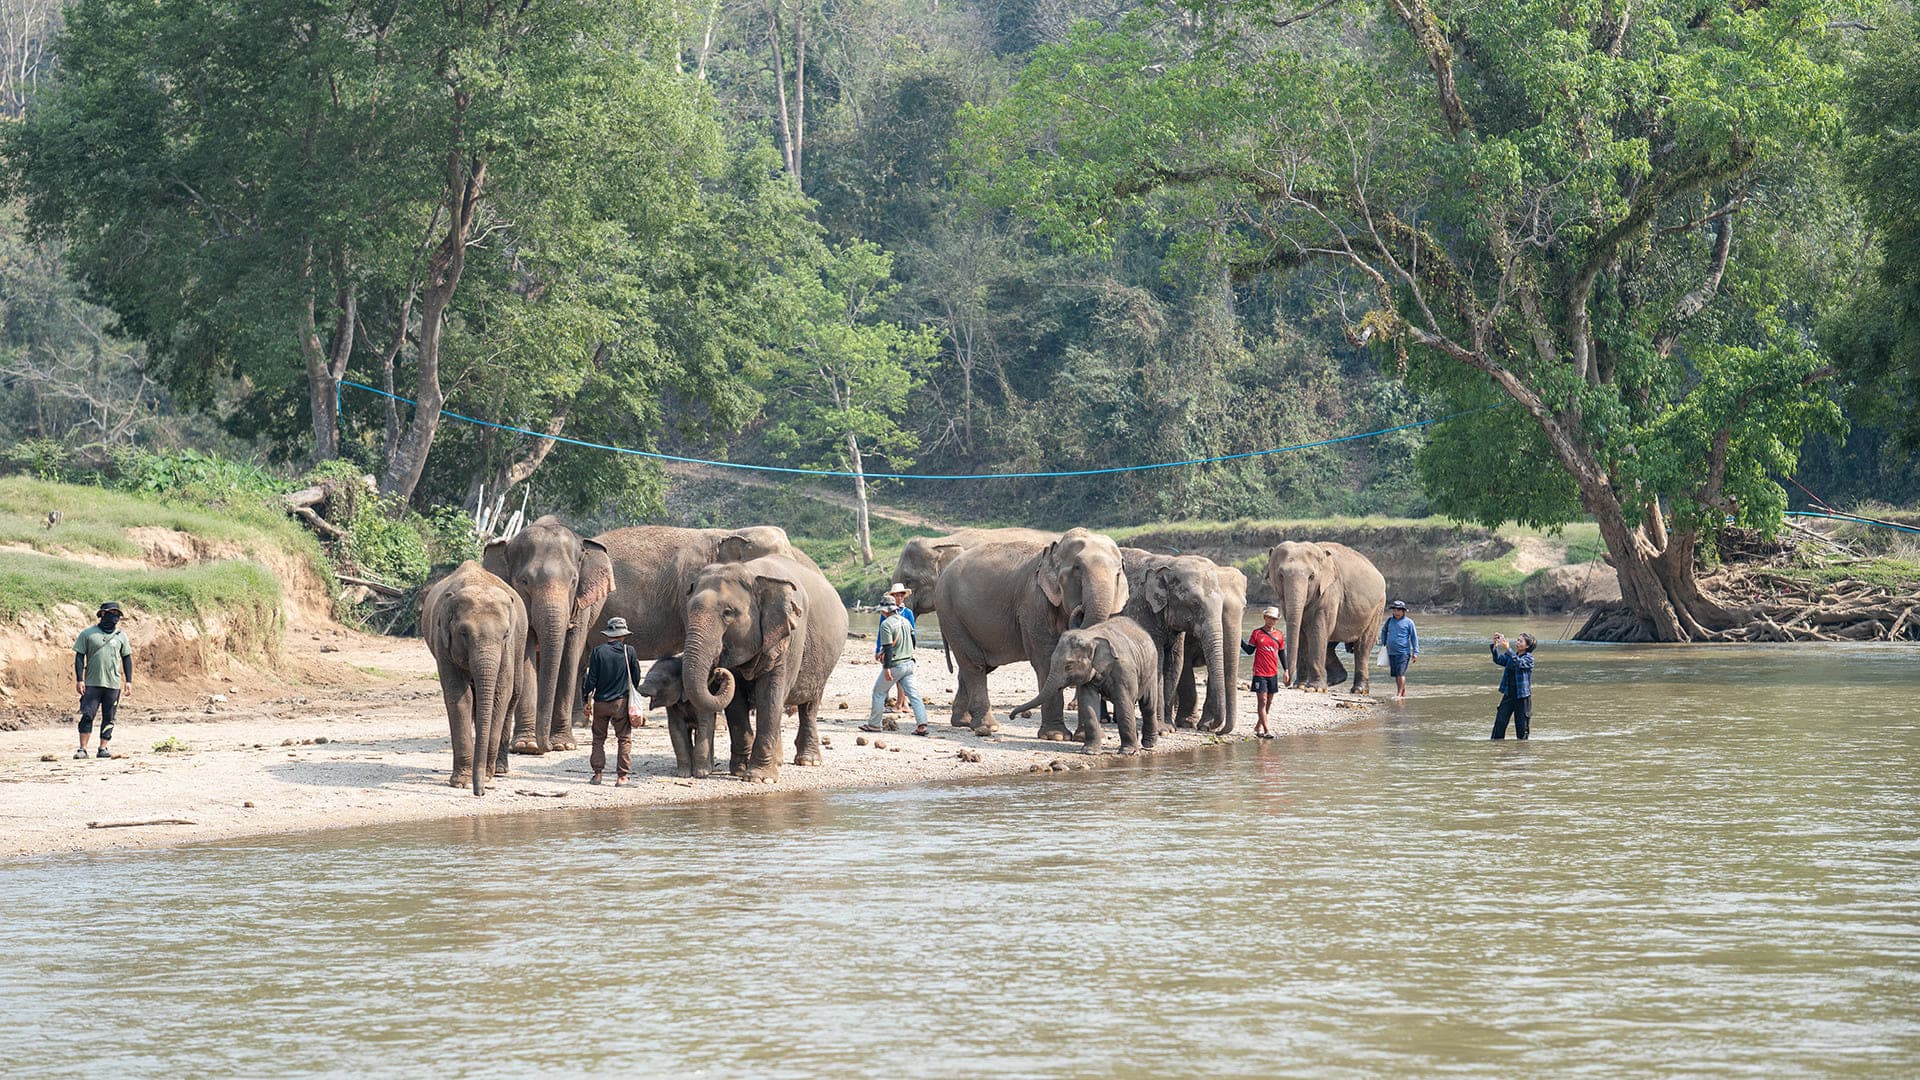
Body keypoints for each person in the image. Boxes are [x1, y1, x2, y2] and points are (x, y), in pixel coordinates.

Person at [582, 616, 644, 786]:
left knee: (598, 739)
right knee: (624, 738)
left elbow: (590, 680)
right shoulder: (628, 651)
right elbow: (636, 677)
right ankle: (622, 777)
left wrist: (584, 701)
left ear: (609, 634)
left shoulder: (597, 651)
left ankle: (597, 775)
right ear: (623, 635)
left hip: (600, 703)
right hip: (621, 703)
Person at [73, 601, 133, 760]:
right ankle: (82, 749)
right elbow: (79, 657)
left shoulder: (121, 636)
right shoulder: (88, 634)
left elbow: (126, 658)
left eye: (118, 614)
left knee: (109, 717)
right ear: (103, 614)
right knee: (87, 715)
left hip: (113, 683)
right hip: (92, 683)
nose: (115, 617)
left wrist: (129, 681)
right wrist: (80, 679)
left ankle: (103, 748)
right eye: (112, 613)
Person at [863, 597, 929, 736]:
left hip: (895, 665)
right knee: (914, 695)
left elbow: (887, 648)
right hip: (910, 664)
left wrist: (886, 668)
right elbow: (913, 640)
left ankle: (874, 725)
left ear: (885, 611)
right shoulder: (905, 621)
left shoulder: (886, 625)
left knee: (879, 692)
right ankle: (922, 725)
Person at [1241, 607, 1287, 738]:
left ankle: (1258, 725)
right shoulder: (1257, 633)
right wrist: (1239, 640)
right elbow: (1250, 651)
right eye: (1269, 618)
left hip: (1273, 673)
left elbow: (1282, 653)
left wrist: (1286, 671)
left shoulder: (1279, 635)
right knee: (1262, 701)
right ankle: (1267, 730)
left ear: (1277, 620)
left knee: (1269, 702)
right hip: (1259, 673)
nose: (1271, 621)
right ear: (1265, 618)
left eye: (1274, 619)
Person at [1490, 632, 1537, 740]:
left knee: (1522, 730)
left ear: (1527, 646)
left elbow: (1519, 663)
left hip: (1522, 697)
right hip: (1509, 695)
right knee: (1499, 724)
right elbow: (1499, 660)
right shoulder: (1511, 656)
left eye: (1521, 641)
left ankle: (1521, 754)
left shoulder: (1529, 659)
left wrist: (1508, 649)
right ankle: (1497, 751)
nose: (1517, 642)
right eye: (1517, 640)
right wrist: (1495, 646)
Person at [1378, 600, 1420, 700]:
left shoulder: (1409, 622)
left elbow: (1414, 637)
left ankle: (1399, 693)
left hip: (1403, 652)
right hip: (1391, 651)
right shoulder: (1389, 621)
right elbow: (1384, 631)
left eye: (1398, 611)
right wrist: (1383, 644)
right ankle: (1402, 692)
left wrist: (1415, 652)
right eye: (1394, 610)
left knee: (1401, 673)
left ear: (1403, 611)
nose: (1396, 613)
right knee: (1396, 674)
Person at [885, 582, 916, 714]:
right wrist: (879, 649)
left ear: (904, 597)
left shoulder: (907, 613)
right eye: (896, 595)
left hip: (904, 648)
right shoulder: (887, 613)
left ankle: (899, 703)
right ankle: (903, 703)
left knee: (900, 675)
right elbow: (883, 630)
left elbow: (913, 631)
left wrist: (912, 647)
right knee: (896, 675)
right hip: (891, 647)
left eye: (901, 595)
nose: (899, 598)